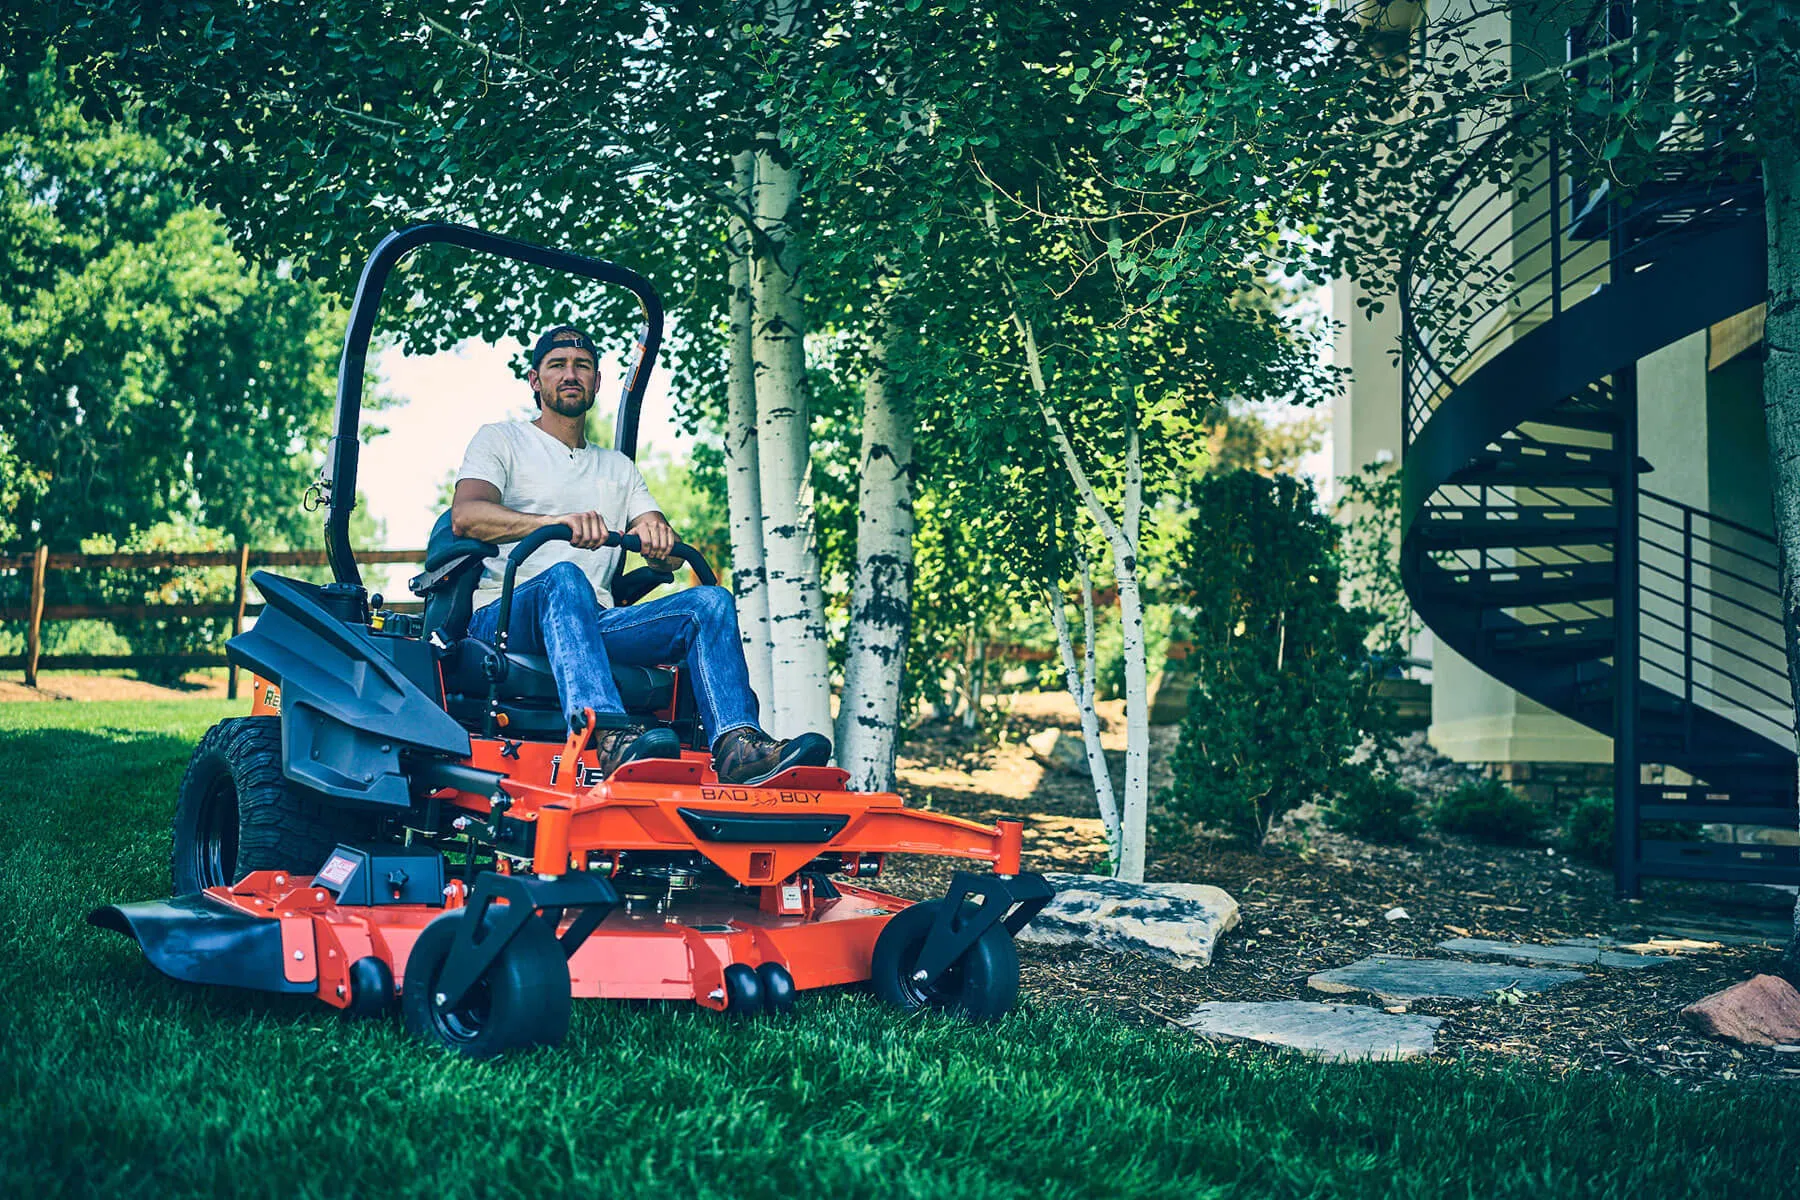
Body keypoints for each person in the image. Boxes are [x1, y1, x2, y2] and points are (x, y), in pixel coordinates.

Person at [451, 324, 830, 784]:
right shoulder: (502, 440)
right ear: (535, 380)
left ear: (596, 381)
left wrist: (659, 545)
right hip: (506, 617)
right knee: (565, 576)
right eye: (558, 366)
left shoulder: (618, 468)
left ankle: (736, 746)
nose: (571, 374)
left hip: (594, 622)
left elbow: (661, 542)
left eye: (582, 366)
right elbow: (467, 516)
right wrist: (557, 525)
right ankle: (610, 734)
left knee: (710, 602)